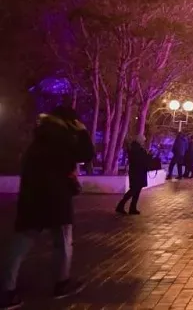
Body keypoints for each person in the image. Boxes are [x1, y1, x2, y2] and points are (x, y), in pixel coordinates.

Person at [1, 106, 94, 308]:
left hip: (31, 200)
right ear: (70, 123)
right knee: (63, 244)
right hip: (55, 202)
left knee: (19, 246)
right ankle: (62, 283)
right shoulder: (62, 139)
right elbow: (86, 154)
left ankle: (6, 291)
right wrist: (83, 131)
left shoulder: (38, 139)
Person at [116, 135, 153, 216]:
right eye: (143, 140)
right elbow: (140, 160)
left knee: (136, 190)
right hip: (137, 172)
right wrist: (149, 155)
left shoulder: (136, 148)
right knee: (133, 190)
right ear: (140, 141)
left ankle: (132, 208)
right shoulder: (136, 149)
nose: (144, 142)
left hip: (137, 172)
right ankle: (121, 205)